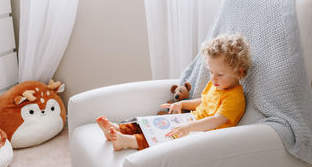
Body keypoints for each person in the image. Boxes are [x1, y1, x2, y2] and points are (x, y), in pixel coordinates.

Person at [96, 33, 251, 151]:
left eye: (220, 74)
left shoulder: (235, 98)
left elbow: (216, 120)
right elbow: (204, 102)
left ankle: (127, 142)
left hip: (206, 136)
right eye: (211, 72)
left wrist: (188, 128)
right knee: (154, 124)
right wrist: (182, 103)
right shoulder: (215, 85)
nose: (213, 78)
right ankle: (118, 129)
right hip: (191, 122)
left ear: (239, 72)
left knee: (164, 137)